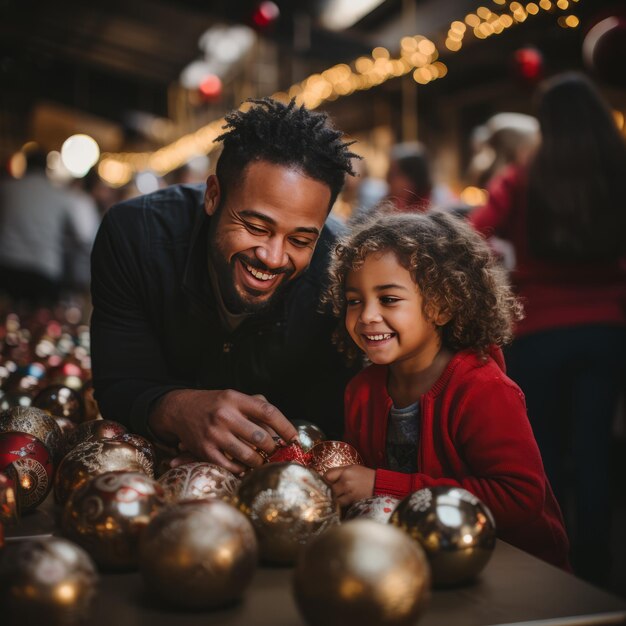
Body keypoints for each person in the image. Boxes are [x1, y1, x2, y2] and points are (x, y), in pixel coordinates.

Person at [90, 98, 359, 475]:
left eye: (300, 240)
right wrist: (179, 408)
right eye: (256, 227)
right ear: (213, 195)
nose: (273, 257)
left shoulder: (340, 274)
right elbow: (118, 383)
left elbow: (327, 422)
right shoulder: (136, 236)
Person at [322, 209, 570, 569]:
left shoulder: (484, 391)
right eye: (354, 300)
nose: (366, 316)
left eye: (388, 299)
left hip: (516, 570)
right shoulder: (361, 391)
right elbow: (360, 477)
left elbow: (519, 496)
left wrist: (382, 485)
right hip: (423, 566)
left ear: (442, 305)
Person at [468, 72, 626, 585]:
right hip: (607, 328)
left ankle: (556, 568)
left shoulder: (523, 177)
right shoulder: (617, 173)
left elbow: (476, 235)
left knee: (547, 451)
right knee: (596, 448)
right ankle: (599, 565)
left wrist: (509, 270)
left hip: (539, 329)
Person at [0, 151, 98, 305]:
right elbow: (81, 236)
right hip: (44, 269)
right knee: (40, 321)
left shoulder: (6, 188)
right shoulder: (59, 195)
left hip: (7, 265)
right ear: (46, 167)